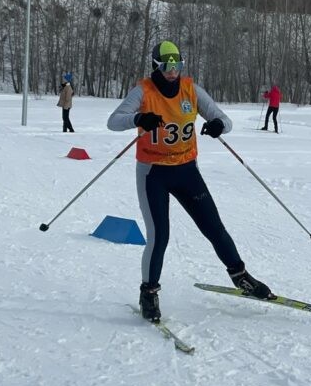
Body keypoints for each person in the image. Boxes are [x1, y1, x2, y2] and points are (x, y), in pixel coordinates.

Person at [107, 40, 271, 322]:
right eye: (168, 67)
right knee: (160, 236)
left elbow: (224, 119)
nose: (173, 72)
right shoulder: (143, 91)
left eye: (178, 66)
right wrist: (138, 118)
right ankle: (149, 293)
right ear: (157, 66)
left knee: (214, 227)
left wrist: (218, 125)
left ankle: (240, 276)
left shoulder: (190, 89)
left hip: (186, 171)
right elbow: (114, 120)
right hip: (153, 173)